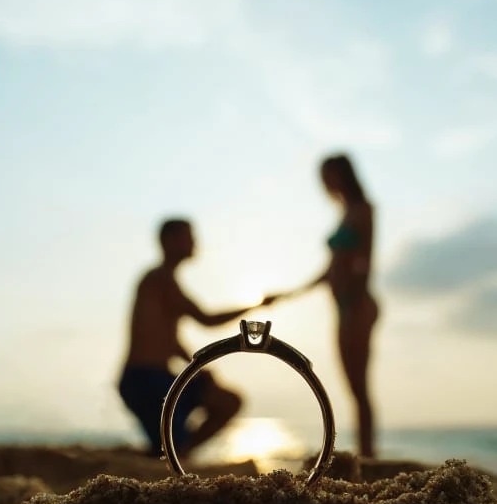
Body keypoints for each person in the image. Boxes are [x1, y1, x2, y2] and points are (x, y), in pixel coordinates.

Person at [118, 218, 276, 457]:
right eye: (187, 237)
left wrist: (195, 367)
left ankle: (178, 455)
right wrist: (257, 305)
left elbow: (166, 341)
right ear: (168, 241)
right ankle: (180, 455)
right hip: (146, 382)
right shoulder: (159, 280)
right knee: (174, 444)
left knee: (224, 403)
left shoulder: (161, 282)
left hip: (154, 379)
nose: (194, 243)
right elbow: (207, 319)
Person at [278, 154, 381, 458]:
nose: (325, 182)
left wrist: (354, 308)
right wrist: (292, 293)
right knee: (353, 388)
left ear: (344, 174)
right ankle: (366, 453)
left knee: (359, 388)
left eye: (329, 174)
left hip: (357, 305)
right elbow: (331, 270)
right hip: (344, 306)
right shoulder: (345, 212)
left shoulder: (363, 210)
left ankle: (368, 456)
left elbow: (364, 262)